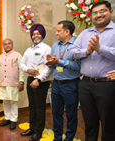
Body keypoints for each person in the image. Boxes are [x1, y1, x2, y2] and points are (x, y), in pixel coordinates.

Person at [69, 1, 115, 140]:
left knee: (109, 124)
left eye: (102, 11)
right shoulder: (85, 33)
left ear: (111, 12)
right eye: (94, 13)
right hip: (85, 84)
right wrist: (87, 51)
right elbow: (72, 52)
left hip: (107, 84)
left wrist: (99, 48)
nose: (98, 15)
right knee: (89, 123)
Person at [45, 20, 81, 141]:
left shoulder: (77, 45)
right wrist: (50, 62)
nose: (56, 33)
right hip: (56, 84)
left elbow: (78, 66)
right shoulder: (55, 45)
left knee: (71, 115)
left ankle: (69, 138)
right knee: (56, 114)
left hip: (71, 84)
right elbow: (53, 63)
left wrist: (58, 62)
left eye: (58, 30)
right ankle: (57, 138)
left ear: (67, 31)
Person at [20, 24, 51, 141]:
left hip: (41, 82)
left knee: (40, 107)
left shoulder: (47, 48)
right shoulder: (28, 50)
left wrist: (38, 79)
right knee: (32, 106)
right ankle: (32, 128)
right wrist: (27, 70)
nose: (35, 35)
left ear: (42, 34)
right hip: (29, 80)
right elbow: (21, 64)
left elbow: (48, 68)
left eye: (38, 33)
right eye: (34, 34)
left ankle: (38, 131)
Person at [0, 38, 25, 130]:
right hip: (3, 83)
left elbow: (21, 69)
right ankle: (7, 118)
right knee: (5, 101)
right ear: (3, 46)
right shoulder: (0, 56)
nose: (7, 45)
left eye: (9, 43)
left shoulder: (17, 55)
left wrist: (21, 81)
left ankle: (13, 120)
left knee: (13, 101)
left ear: (12, 45)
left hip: (13, 83)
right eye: (5, 44)